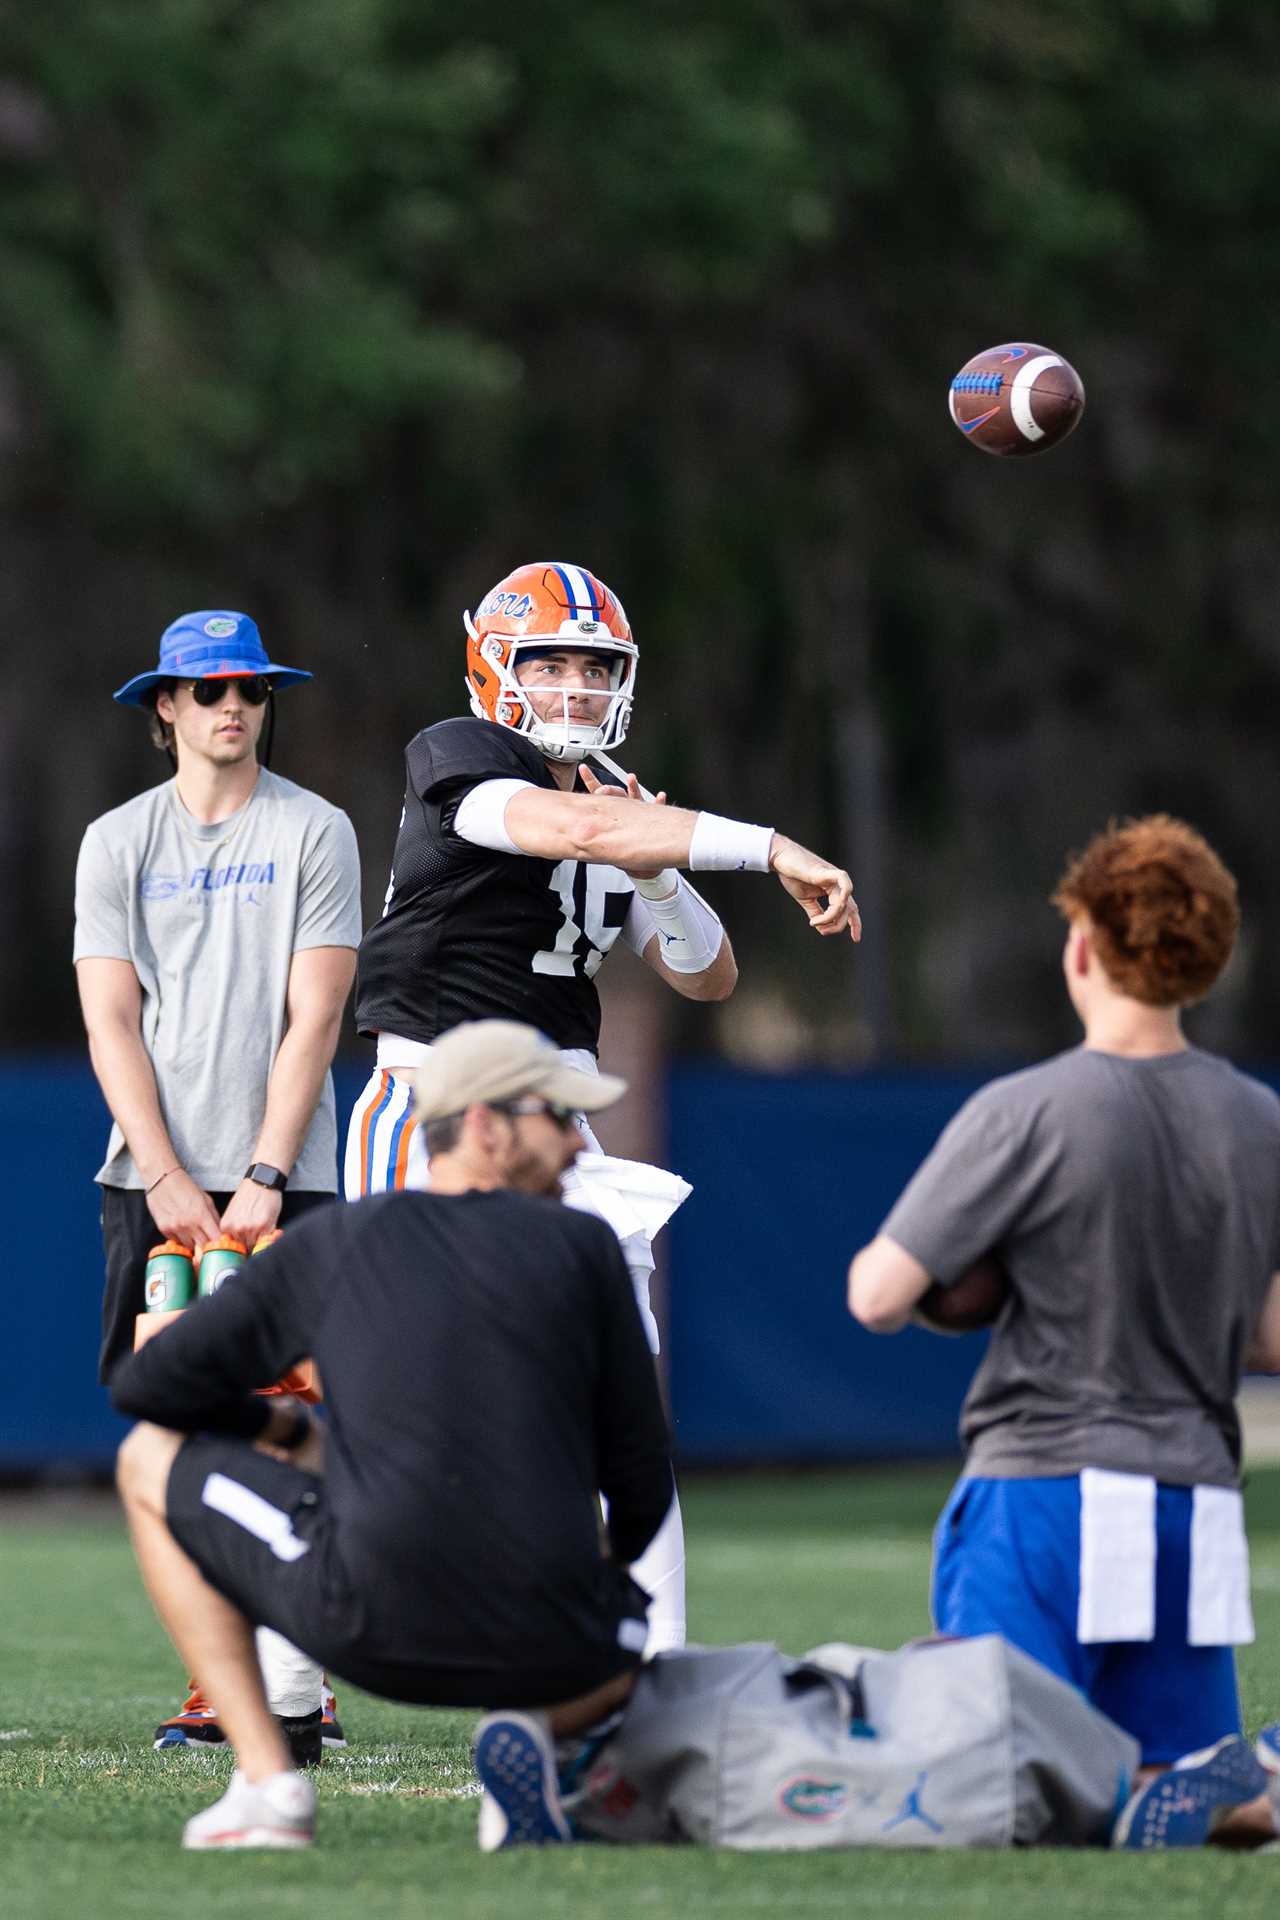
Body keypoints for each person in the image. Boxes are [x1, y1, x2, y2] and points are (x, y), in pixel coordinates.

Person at [346, 560, 861, 1650]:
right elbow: (573, 838)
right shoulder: (463, 753)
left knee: (620, 1412)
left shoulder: (610, 807)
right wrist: (764, 847)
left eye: (595, 668)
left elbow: (705, 977)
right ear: (494, 667)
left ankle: (657, 1675)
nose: (575, 689)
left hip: (559, 1128)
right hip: (435, 1103)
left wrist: (665, 869)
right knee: (406, 1407)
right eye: (550, 663)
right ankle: (295, 1670)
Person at [110, 1020, 674, 1850]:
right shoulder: (585, 1247)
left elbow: (147, 1383)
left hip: (367, 1623)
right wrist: (595, 1612)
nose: (577, 1144)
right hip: (558, 1648)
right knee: (616, 1622)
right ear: (485, 1127)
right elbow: (640, 1481)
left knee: (145, 1459)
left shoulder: (339, 1241)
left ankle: (269, 1784)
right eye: (559, 1117)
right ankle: (552, 1737)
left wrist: (277, 1423)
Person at [847, 814, 1280, 1848]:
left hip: (1045, 1493)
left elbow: (874, 1293)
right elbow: (1269, 1338)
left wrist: (980, 1280)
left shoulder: (1029, 1108)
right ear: (1203, 959)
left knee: (990, 1794)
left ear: (1081, 945)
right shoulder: (1259, 1121)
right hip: (1191, 1501)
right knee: (1182, 1790)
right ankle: (1252, 1782)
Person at [74, 608, 361, 1755]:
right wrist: (165, 1175)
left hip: (282, 1182)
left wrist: (263, 1174)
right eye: (205, 691)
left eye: (248, 688)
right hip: (151, 1183)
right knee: (171, 1431)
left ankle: (293, 1686)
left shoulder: (316, 829)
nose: (231, 706)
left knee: (288, 1426)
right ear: (165, 710)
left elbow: (317, 1015)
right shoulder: (114, 840)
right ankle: (229, 1676)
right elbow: (110, 1020)